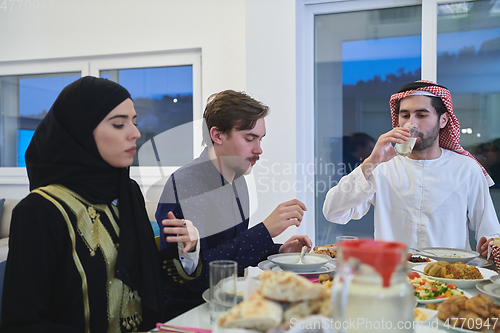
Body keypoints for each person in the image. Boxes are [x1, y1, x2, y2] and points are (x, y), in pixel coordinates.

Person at [1, 76, 199, 332]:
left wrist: (186, 251)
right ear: (81, 131)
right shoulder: (40, 211)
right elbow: (22, 323)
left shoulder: (127, 191)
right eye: (119, 124)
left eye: (134, 122)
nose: (136, 133)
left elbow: (144, 281)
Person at [155, 90, 312, 317]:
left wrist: (276, 250)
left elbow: (231, 249)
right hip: (189, 315)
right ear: (217, 135)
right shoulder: (184, 185)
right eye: (250, 138)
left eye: (260, 139)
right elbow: (195, 274)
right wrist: (265, 231)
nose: (259, 149)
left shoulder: (238, 178)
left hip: (228, 306)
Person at [323, 80, 500, 257]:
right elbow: (334, 212)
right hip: (393, 276)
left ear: (443, 120)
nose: (411, 124)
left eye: (421, 115)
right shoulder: (381, 167)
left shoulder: (466, 169)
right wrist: (371, 161)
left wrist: (490, 248)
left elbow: (491, 233)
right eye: (405, 116)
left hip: (449, 278)